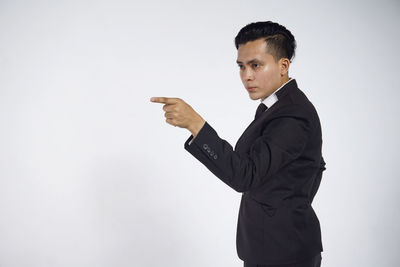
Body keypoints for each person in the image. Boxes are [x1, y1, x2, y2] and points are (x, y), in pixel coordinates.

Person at [150, 21, 326, 267]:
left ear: (283, 65)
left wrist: (196, 125)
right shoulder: (276, 108)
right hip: (269, 246)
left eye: (256, 65)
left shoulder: (293, 114)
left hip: (285, 251)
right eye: (241, 67)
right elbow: (307, 169)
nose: (247, 76)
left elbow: (244, 176)